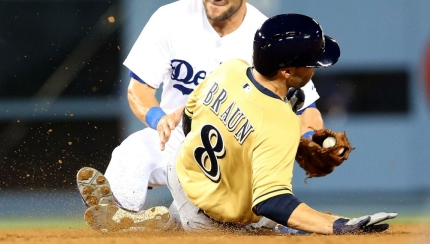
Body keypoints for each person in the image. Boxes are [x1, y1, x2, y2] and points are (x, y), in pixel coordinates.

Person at [77, 0, 324, 228]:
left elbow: (306, 106)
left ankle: (172, 224)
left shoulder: (264, 35)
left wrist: (311, 138)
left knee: (202, 220)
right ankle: (119, 219)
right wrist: (158, 119)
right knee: (132, 152)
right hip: (176, 136)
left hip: (236, 152)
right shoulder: (170, 18)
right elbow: (138, 90)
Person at [164, 13, 397, 234]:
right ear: (286, 71)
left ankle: (177, 213)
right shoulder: (281, 122)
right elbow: (272, 201)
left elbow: (189, 121)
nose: (313, 68)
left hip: (180, 173)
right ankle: (186, 219)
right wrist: (336, 225)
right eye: (310, 63)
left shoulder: (229, 69)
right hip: (211, 222)